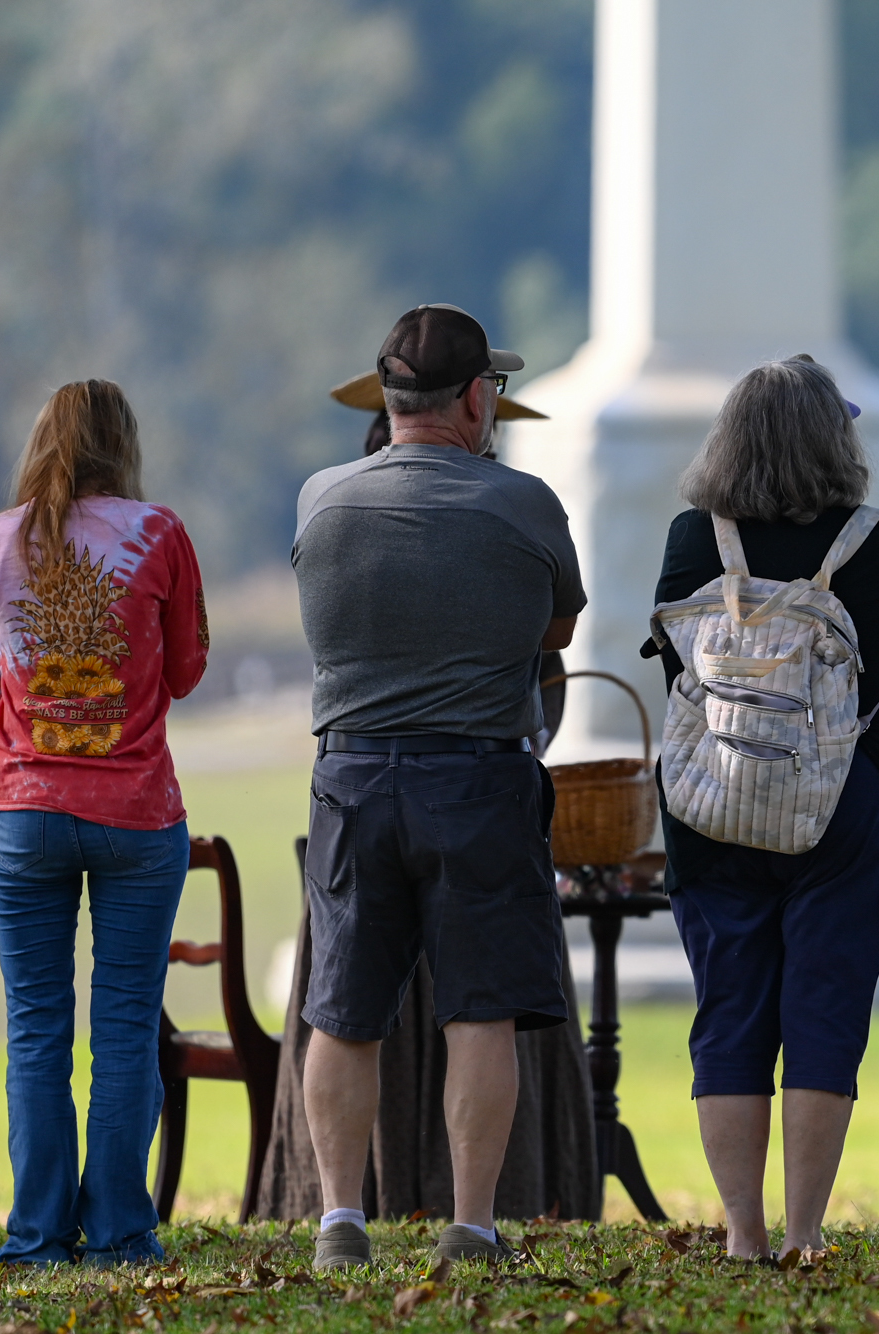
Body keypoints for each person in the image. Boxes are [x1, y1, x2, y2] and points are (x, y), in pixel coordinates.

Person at [292, 304, 586, 1268]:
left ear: (387, 397)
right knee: (480, 1009)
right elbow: (558, 633)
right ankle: (470, 1222)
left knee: (342, 1008)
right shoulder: (525, 502)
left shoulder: (321, 500)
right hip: (478, 776)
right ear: (474, 397)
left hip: (352, 774)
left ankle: (341, 1219)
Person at [647, 355, 879, 1261]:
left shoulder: (696, 538)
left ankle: (742, 1233)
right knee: (826, 1004)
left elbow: (678, 670)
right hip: (844, 805)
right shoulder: (876, 542)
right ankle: (805, 1233)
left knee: (728, 1007)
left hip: (711, 807)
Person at [0, 380, 209, 1265]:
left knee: (36, 1029)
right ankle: (118, 1234)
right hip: (138, 817)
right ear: (124, 444)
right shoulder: (160, 535)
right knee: (123, 1025)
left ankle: (36, 1237)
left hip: (26, 811)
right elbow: (185, 670)